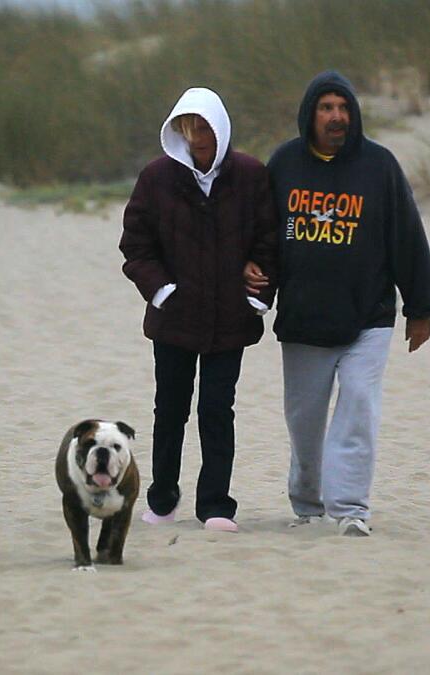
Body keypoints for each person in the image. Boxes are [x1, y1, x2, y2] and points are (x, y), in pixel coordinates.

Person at [245, 70, 430, 537]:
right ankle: (308, 503)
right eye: (326, 107)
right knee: (304, 423)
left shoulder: (380, 166)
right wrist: (253, 276)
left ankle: (351, 509)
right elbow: (265, 236)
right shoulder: (285, 163)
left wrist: (420, 307)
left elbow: (407, 237)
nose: (336, 117)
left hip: (368, 317)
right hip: (304, 318)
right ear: (309, 114)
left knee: (357, 406)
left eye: (344, 108)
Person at [120, 87, 277, 533]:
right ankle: (163, 500)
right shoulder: (156, 178)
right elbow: (135, 246)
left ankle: (215, 507)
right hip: (174, 320)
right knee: (169, 410)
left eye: (205, 127)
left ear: (221, 128)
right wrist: (163, 292)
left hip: (231, 319)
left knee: (216, 410)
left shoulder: (250, 175)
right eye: (189, 128)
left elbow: (269, 243)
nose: (198, 137)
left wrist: (257, 295)